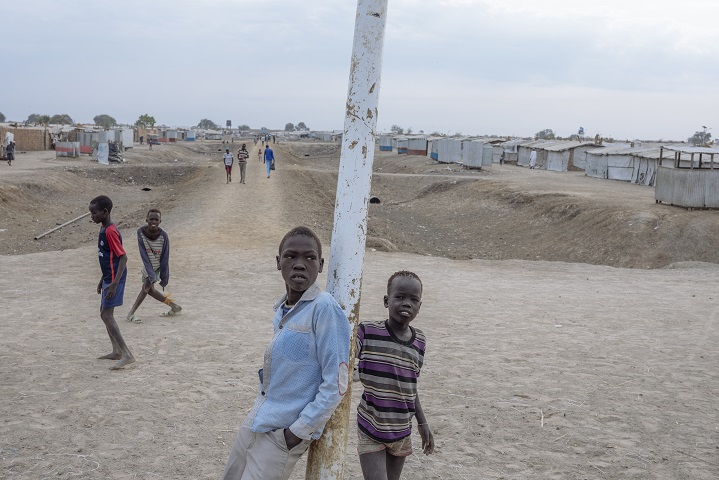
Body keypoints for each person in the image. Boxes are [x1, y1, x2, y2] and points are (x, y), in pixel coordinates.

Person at [222, 226, 351, 480]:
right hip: (258, 419)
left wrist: (298, 431)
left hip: (282, 434)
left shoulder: (324, 308)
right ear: (278, 262)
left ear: (321, 264)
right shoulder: (283, 310)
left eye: (309, 257)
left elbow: (336, 383)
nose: (300, 264)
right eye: (291, 256)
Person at [356, 271, 434, 480]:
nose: (406, 303)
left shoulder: (420, 342)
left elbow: (410, 386)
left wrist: (422, 423)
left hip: (401, 431)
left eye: (413, 299)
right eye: (399, 297)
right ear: (386, 300)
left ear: (419, 306)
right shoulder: (367, 332)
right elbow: (342, 354)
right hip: (370, 426)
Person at [88, 195, 135, 370]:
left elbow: (123, 257)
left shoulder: (110, 231)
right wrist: (103, 278)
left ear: (105, 212)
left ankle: (127, 353)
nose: (91, 216)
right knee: (104, 313)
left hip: (116, 278)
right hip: (109, 277)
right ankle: (116, 351)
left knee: (107, 315)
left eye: (94, 213)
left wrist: (114, 283)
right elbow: (108, 258)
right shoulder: (103, 229)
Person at [125, 209, 182, 324]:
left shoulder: (164, 236)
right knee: (150, 290)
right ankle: (174, 306)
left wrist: (163, 273)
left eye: (156, 219)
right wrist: (149, 272)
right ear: (147, 220)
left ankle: (131, 313)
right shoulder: (140, 232)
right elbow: (143, 254)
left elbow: (165, 256)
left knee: (145, 288)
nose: (153, 221)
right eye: (151, 219)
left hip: (157, 267)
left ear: (160, 221)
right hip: (147, 266)